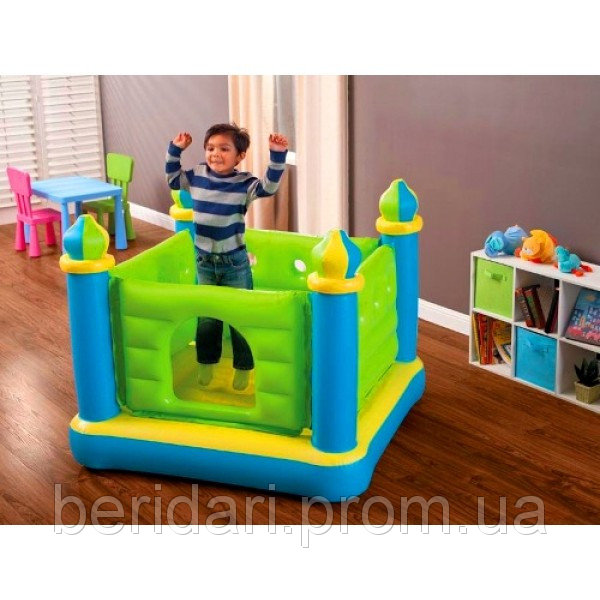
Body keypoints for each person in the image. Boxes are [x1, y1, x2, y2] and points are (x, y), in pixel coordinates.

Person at [165, 123, 288, 390]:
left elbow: (269, 187)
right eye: (210, 148)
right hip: (204, 262)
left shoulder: (244, 183)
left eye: (224, 149)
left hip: (235, 264)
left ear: (239, 156)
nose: (215, 154)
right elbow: (173, 179)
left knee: (240, 317)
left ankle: (243, 367)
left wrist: (277, 155)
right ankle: (206, 363)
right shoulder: (197, 175)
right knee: (207, 318)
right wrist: (175, 149)